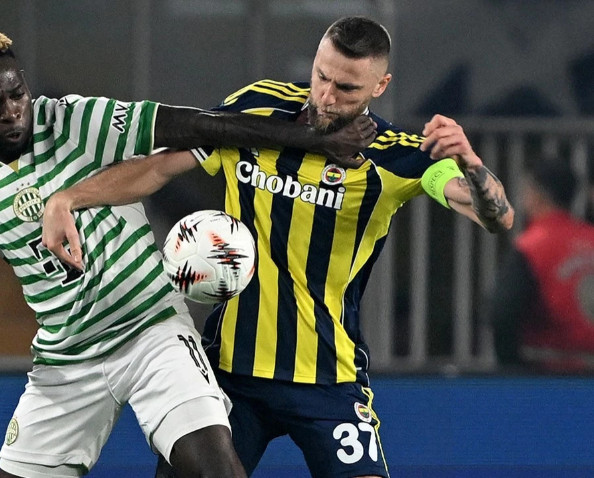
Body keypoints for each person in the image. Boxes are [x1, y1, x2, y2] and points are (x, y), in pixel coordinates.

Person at [0, 27, 377, 478]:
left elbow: (197, 125)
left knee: (216, 468)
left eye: (17, 94)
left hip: (152, 330)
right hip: (66, 360)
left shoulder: (75, 120)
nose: (11, 112)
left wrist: (314, 141)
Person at [41, 16, 514, 478]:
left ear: (380, 86)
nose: (327, 96)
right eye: (321, 77)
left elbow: (497, 216)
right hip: (231, 371)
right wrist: (70, 198)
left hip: (327, 377)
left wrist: (472, 166)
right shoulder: (257, 109)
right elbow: (159, 167)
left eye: (346, 88)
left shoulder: (396, 156)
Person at [491, 159, 594, 372]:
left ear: (537, 193)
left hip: (551, 373)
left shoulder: (531, 246)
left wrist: (512, 368)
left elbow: (502, 312)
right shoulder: (590, 238)